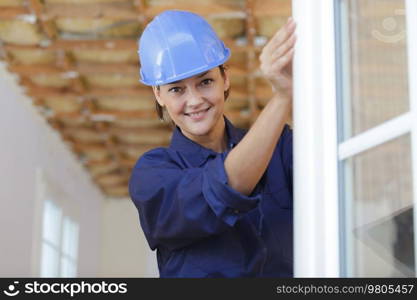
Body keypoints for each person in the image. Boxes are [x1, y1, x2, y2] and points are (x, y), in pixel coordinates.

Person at [129, 10, 296, 278]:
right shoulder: (153, 174)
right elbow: (226, 187)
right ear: (158, 95)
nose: (194, 100)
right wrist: (283, 97)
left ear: (225, 79)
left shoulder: (281, 147)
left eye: (205, 82)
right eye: (176, 89)